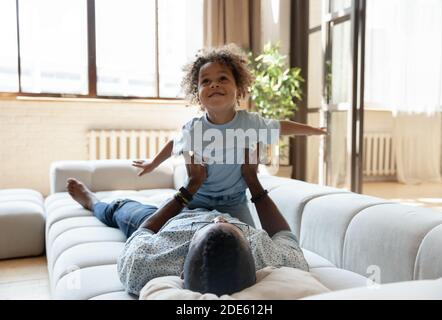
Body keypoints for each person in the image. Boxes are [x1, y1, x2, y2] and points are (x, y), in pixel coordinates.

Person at [66, 149, 309, 297]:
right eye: (228, 225)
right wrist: (252, 179)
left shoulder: (143, 268)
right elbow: (283, 234)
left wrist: (190, 188)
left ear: (182, 267)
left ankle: (92, 201)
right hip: (227, 203)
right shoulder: (278, 262)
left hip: (171, 223)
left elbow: (145, 230)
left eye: (213, 223)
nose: (217, 217)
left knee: (119, 209)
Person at [132, 44, 326, 227]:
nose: (214, 84)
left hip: (234, 201)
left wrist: (312, 130)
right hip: (197, 199)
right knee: (177, 234)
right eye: (205, 81)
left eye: (222, 78)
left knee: (248, 241)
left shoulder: (250, 122)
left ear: (238, 88)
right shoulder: (194, 128)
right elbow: (174, 143)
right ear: (197, 93)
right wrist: (153, 163)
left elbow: (281, 126)